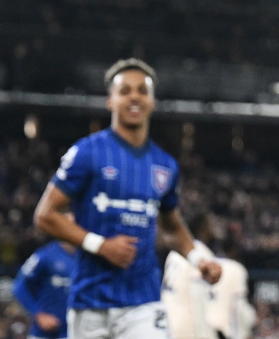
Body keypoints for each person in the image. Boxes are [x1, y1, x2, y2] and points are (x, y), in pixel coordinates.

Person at [33, 58, 222, 339]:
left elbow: (171, 227)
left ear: (153, 102)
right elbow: (45, 216)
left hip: (143, 304)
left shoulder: (165, 165)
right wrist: (101, 246)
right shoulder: (87, 153)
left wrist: (198, 259)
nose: (134, 97)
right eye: (125, 91)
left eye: (142, 91)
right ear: (111, 101)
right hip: (90, 304)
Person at [14, 214, 77, 339]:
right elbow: (19, 286)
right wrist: (38, 314)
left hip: (75, 331)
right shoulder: (45, 256)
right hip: (45, 334)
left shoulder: (87, 259)